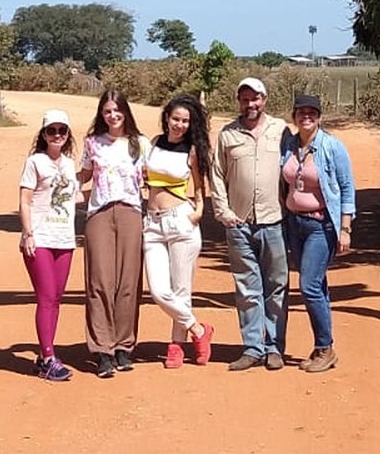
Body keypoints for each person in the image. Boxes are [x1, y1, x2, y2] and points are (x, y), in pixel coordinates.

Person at [207, 76, 291, 371]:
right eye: (244, 99)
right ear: (239, 102)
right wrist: (223, 211)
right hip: (239, 223)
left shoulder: (280, 130)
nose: (250, 104)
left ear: (264, 99)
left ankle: (275, 348)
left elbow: (294, 168)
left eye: (255, 98)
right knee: (246, 288)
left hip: (275, 221)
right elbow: (216, 174)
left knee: (277, 286)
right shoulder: (228, 134)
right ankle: (253, 347)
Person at [281, 92, 355, 373]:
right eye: (301, 112)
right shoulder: (289, 145)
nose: (306, 117)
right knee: (318, 285)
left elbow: (347, 189)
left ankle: (325, 347)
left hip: (321, 225)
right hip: (294, 223)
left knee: (309, 285)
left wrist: (345, 228)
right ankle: (321, 346)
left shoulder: (332, 147)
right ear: (294, 116)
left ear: (319, 117)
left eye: (312, 113)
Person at [143, 93, 215, 368]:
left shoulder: (192, 149)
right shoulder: (154, 143)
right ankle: (199, 330)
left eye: (186, 120)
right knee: (159, 290)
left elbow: (199, 185)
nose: (180, 125)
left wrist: (199, 209)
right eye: (176, 119)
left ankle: (176, 345)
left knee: (181, 289)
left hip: (180, 220)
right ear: (166, 118)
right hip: (152, 223)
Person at [78, 90, 146, 378]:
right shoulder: (92, 143)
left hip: (131, 212)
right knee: (99, 282)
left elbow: (155, 180)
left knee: (128, 282)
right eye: (107, 111)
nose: (112, 116)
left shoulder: (139, 144)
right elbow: (80, 177)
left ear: (125, 112)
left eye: (117, 110)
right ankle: (102, 349)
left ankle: (123, 345)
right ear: (101, 114)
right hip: (100, 214)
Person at [17, 108, 79, 382]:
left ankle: (45, 358)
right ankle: (49, 356)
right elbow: (25, 200)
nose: (57, 135)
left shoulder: (68, 164)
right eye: (51, 130)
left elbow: (73, 197)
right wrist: (28, 233)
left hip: (64, 238)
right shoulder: (35, 162)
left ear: (67, 135)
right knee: (45, 297)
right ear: (43, 134)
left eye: (62, 131)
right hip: (39, 238)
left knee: (56, 299)